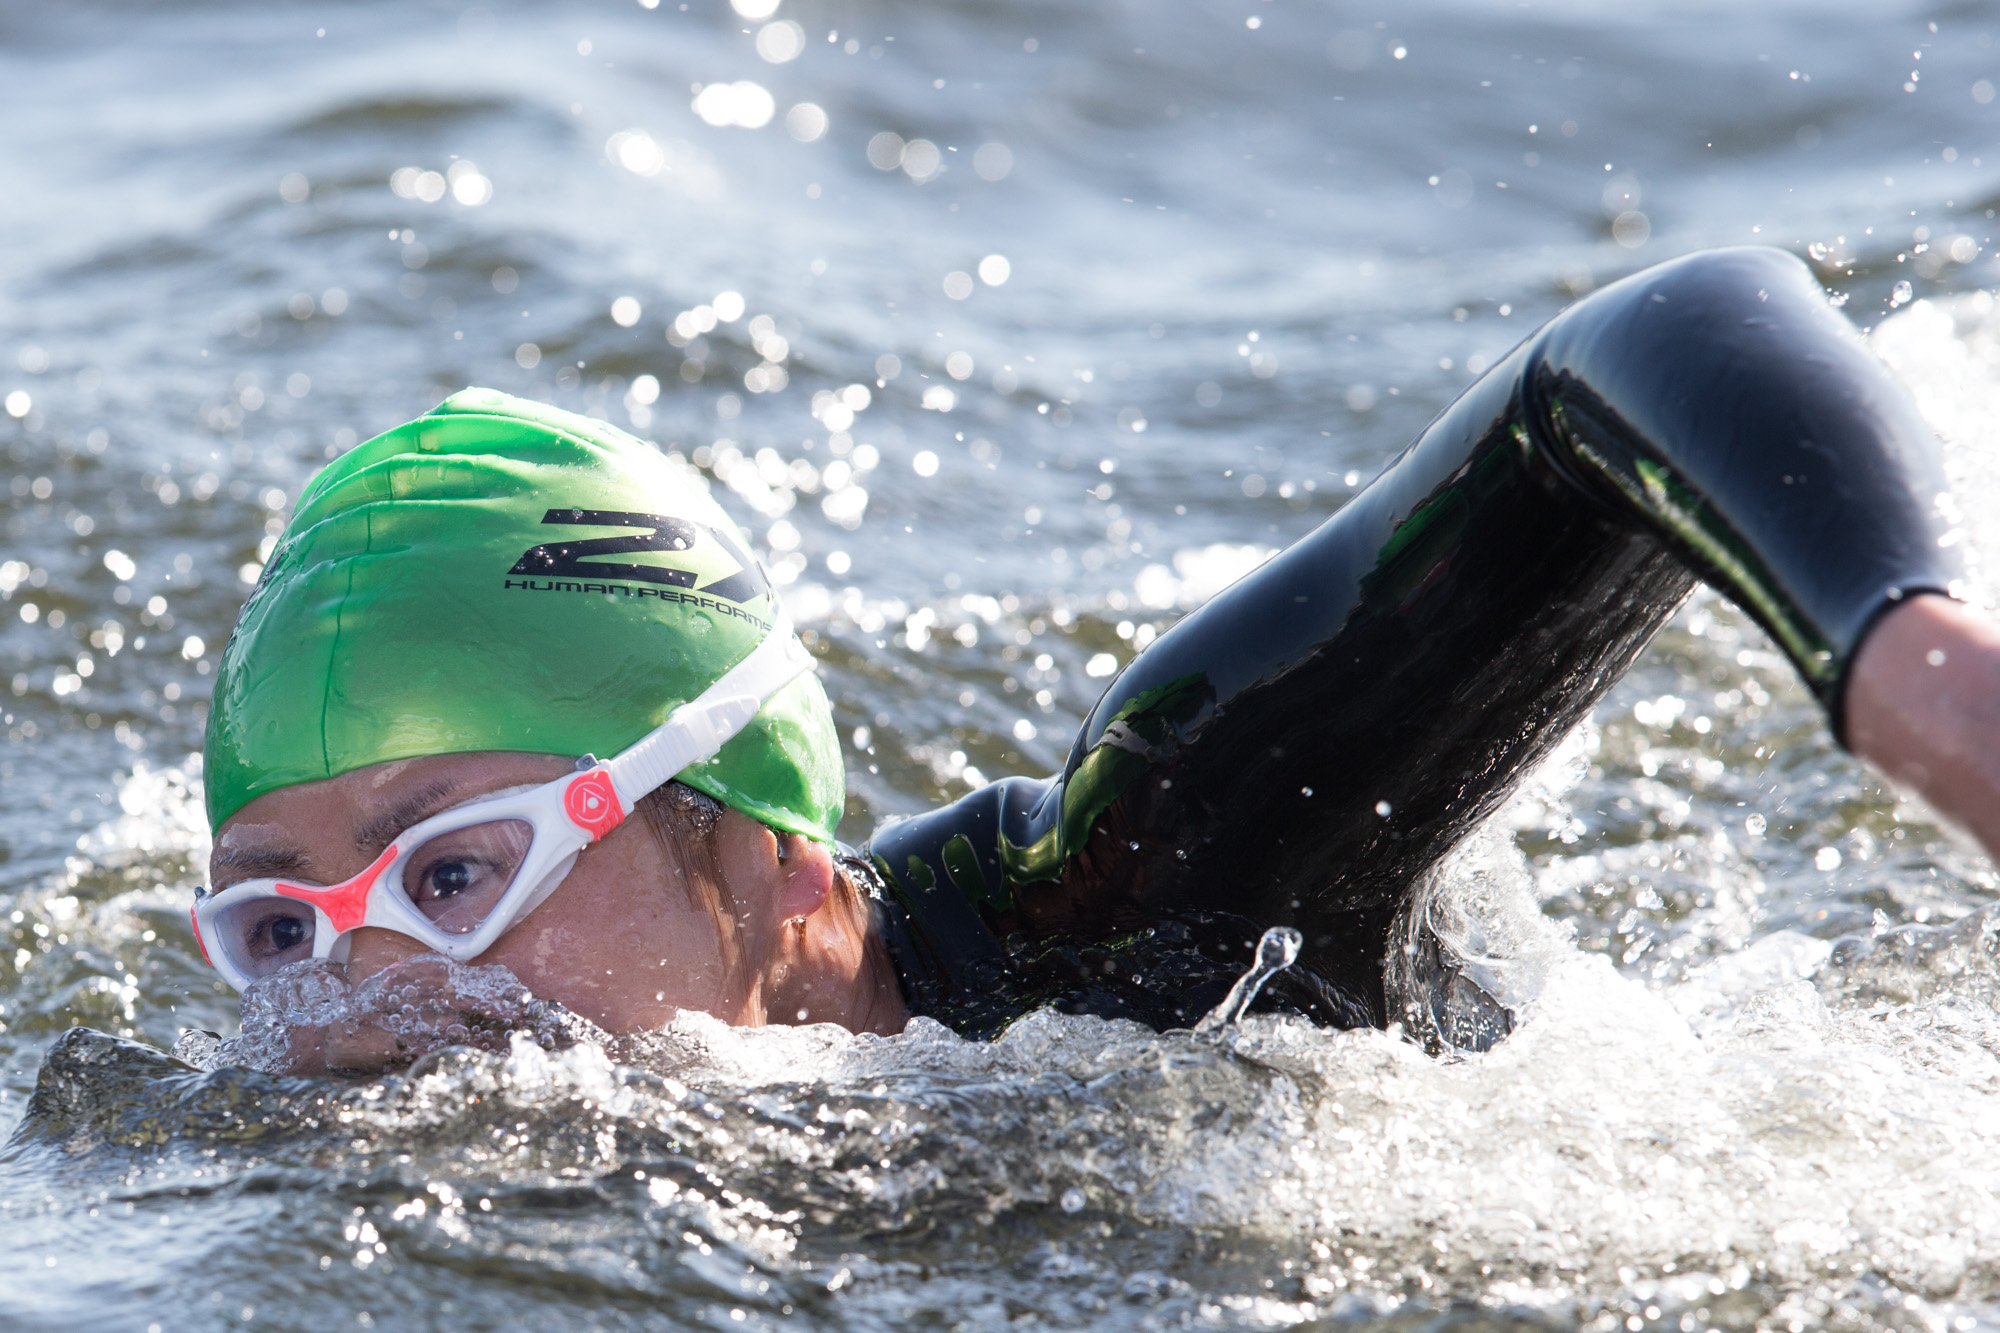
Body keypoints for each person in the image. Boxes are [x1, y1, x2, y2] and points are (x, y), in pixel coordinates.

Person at [193, 247, 2000, 1071]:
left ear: (760, 847)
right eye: (279, 921)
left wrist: (1909, 670)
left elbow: (1655, 331)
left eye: (459, 866)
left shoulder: (1160, 897)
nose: (362, 994)